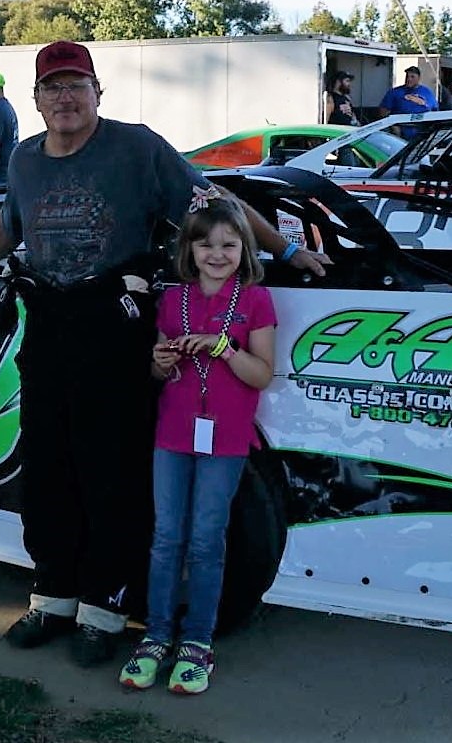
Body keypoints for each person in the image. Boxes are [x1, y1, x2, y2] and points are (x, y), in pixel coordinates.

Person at [0, 40, 329, 668]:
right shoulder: (24, 158)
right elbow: (9, 225)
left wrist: (286, 251)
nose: (65, 98)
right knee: (49, 467)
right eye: (53, 87)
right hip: (48, 324)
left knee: (111, 473)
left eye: (77, 85)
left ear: (99, 93)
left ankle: (104, 607)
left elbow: (216, 207)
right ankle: (52, 596)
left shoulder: (137, 147)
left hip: (116, 322)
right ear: (36, 99)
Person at [119, 194, 275, 695]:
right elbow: (155, 368)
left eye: (228, 245)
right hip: (172, 434)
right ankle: (155, 635)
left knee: (207, 540)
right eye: (206, 245)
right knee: (167, 537)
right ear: (188, 250)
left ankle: (197, 642)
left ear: (244, 248)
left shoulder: (255, 300)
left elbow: (261, 374)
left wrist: (224, 348)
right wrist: (160, 362)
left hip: (226, 439)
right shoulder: (173, 300)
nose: (217, 254)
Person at [378, 65, 439, 138]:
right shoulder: (395, 92)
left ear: (419, 78)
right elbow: (383, 112)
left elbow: (435, 110)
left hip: (422, 130)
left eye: (412, 77)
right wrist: (392, 124)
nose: (409, 79)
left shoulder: (427, 92)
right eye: (407, 76)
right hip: (401, 130)